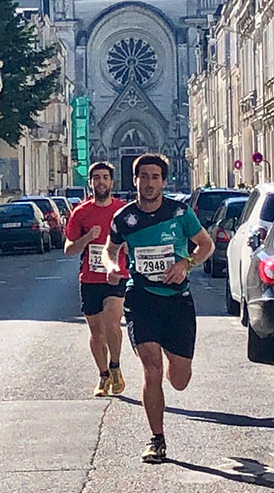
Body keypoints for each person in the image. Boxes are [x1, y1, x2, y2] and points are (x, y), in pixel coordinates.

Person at [102, 153, 213, 464]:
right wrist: (112, 266)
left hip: (177, 301)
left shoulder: (180, 213)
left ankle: (173, 361)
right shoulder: (124, 218)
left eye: (155, 177)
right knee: (151, 368)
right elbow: (109, 250)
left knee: (179, 379)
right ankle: (157, 439)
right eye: (143, 177)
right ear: (134, 180)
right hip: (141, 298)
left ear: (164, 181)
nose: (149, 183)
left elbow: (206, 245)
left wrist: (185, 263)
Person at [63, 161, 128, 397]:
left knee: (112, 322)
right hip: (90, 277)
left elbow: (134, 241)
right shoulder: (80, 213)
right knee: (96, 331)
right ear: (90, 183)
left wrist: (128, 247)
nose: (101, 182)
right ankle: (103, 376)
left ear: (112, 182)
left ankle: (116, 365)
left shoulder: (122, 211)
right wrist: (88, 238)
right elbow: (68, 249)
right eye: (96, 178)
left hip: (116, 275)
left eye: (105, 177)